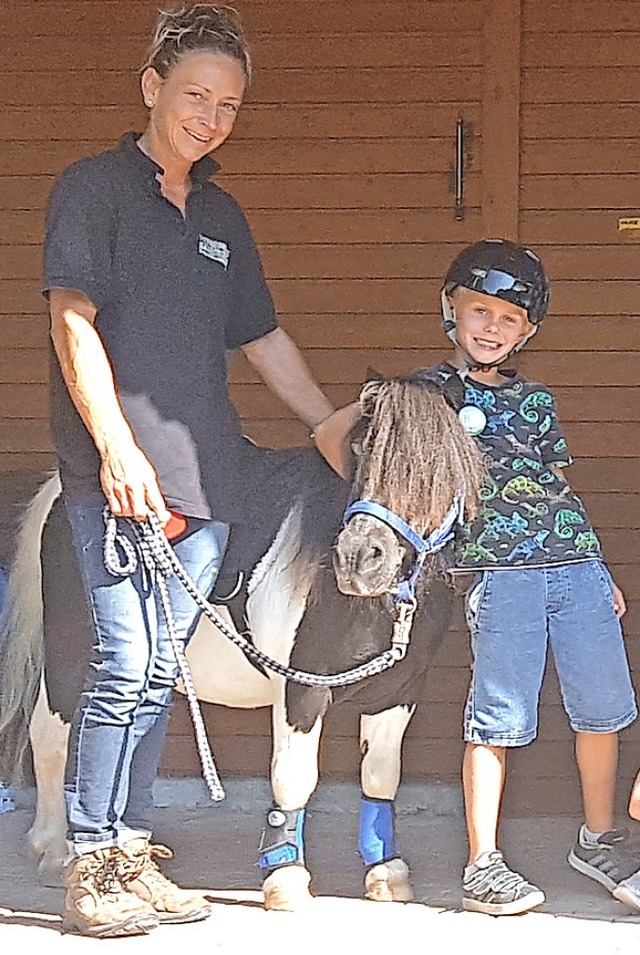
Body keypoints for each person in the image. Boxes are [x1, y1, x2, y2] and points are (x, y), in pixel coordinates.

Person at [43, 3, 337, 938]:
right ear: (152, 89)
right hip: (121, 479)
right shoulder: (92, 189)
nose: (210, 117)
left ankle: (131, 848)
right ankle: (92, 861)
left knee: (161, 668)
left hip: (211, 481)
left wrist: (328, 419)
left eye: (229, 105)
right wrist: (116, 448)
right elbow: (72, 320)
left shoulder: (220, 214)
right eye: (195, 96)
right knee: (123, 663)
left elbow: (261, 337)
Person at [415, 238, 638, 915]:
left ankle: (599, 837)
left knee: (602, 707)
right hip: (499, 571)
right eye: (478, 310)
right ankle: (483, 861)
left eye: (509, 318)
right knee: (497, 715)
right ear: (450, 310)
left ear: (528, 331)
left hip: (575, 566)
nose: (490, 326)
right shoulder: (428, 393)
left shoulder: (537, 400)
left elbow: (556, 483)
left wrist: (600, 565)